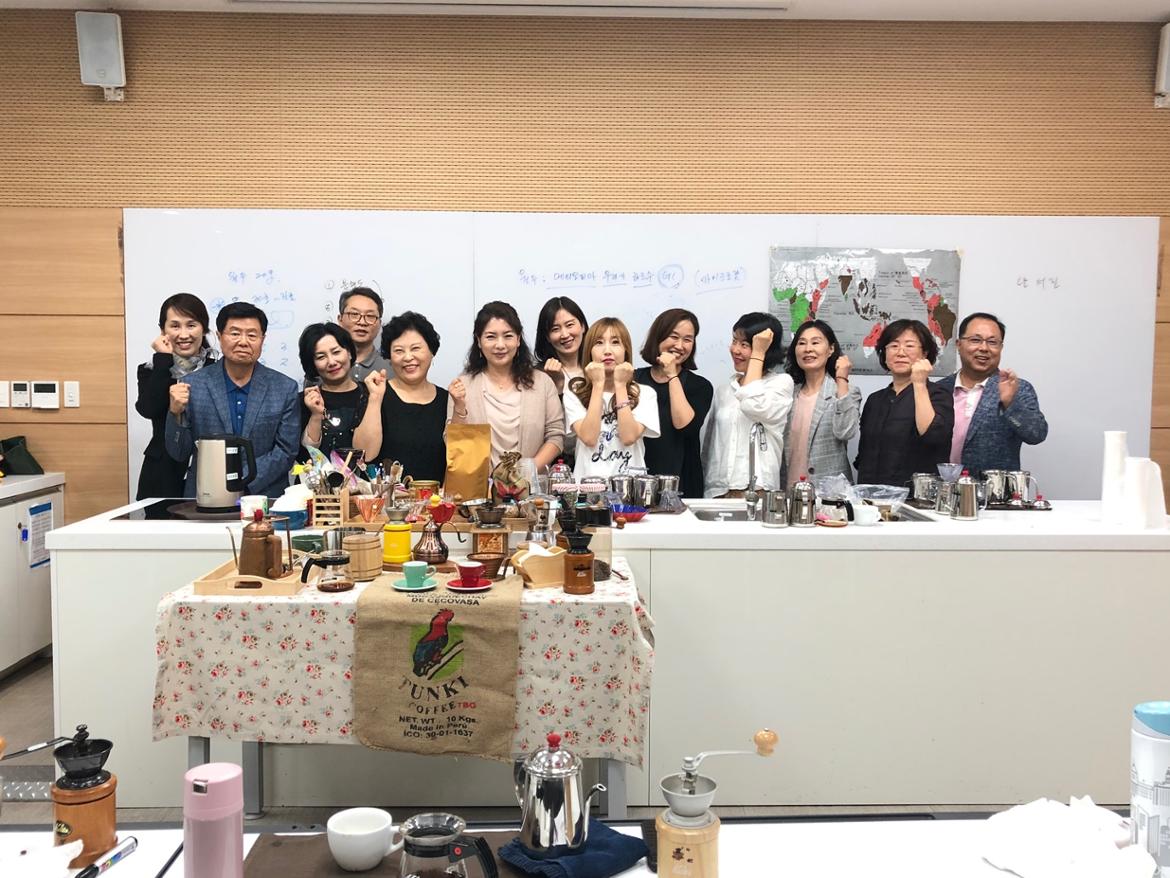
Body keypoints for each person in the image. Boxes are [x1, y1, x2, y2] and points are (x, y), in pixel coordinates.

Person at [165, 302, 300, 499]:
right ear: (219, 336)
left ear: (262, 339)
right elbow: (178, 453)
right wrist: (175, 413)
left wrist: (240, 479)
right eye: (235, 333)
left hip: (264, 497)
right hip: (205, 497)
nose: (243, 342)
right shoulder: (192, 385)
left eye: (252, 335)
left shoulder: (284, 388)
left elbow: (286, 451)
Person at [448, 301, 563, 468]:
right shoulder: (463, 385)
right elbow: (454, 444)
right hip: (480, 485)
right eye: (491, 337)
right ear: (478, 341)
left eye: (508, 336)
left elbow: (556, 435)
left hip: (531, 483)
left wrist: (527, 471)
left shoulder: (542, 382)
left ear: (518, 339)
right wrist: (459, 407)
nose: (500, 345)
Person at [936, 311, 1048, 476]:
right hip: (943, 488)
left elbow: (1036, 434)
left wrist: (1010, 404)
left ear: (1001, 348)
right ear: (958, 345)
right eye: (975, 340)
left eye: (992, 342)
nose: (984, 348)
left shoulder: (1018, 388)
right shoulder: (939, 389)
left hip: (995, 490)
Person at [134, 293, 216, 500]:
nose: (183, 334)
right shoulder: (152, 369)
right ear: (163, 330)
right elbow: (148, 409)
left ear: (204, 328)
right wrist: (163, 358)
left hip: (209, 470)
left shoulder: (216, 370)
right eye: (175, 326)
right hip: (162, 473)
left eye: (191, 325)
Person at [855, 319, 954, 487]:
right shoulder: (874, 400)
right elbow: (864, 454)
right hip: (871, 495)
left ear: (924, 353)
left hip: (916, 496)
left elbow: (934, 436)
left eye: (909, 346)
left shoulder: (938, 394)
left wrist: (919, 384)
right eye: (893, 346)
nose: (900, 352)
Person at [703, 313, 793, 498]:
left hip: (759, 491)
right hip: (718, 491)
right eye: (734, 341)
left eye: (745, 345)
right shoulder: (724, 391)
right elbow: (710, 446)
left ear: (766, 349)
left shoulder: (781, 383)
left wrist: (758, 353)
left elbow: (753, 405)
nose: (735, 350)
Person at [564, 317, 660, 480]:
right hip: (587, 487)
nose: (607, 350)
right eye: (599, 343)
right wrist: (597, 384)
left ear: (626, 350)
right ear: (589, 351)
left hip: (630, 488)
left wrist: (621, 385)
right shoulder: (574, 393)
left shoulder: (645, 393)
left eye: (615, 342)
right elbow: (589, 438)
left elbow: (628, 437)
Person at [634, 308, 712, 497]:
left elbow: (685, 427)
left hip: (683, 482)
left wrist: (672, 375)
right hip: (638, 479)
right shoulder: (634, 380)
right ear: (658, 337)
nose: (680, 345)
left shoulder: (700, 386)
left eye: (688, 339)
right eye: (674, 336)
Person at [782, 320, 862, 486]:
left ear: (830, 349)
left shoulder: (846, 391)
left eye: (815, 342)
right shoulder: (787, 393)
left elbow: (845, 432)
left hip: (830, 492)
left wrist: (842, 378)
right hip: (788, 489)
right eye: (801, 343)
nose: (808, 349)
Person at [377, 311, 449, 483]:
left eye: (416, 348)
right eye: (399, 351)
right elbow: (365, 452)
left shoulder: (447, 400)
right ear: (389, 356)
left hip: (435, 498)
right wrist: (373, 399)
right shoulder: (377, 394)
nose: (408, 357)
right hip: (388, 499)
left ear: (431, 351)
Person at [298, 322, 384, 462]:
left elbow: (368, 454)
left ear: (349, 352)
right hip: (317, 477)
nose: (332, 362)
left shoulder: (372, 393)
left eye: (336, 352)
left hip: (364, 476)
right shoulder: (305, 401)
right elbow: (306, 456)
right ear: (312, 364)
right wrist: (316, 415)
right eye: (321, 357)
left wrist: (375, 398)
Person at [534, 296, 588, 395]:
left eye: (569, 325)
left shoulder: (598, 367)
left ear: (583, 326)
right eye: (555, 329)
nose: (565, 335)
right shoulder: (538, 375)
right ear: (547, 337)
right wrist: (557, 385)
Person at [336, 286, 391, 382]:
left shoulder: (392, 368)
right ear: (340, 319)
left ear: (379, 324)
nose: (362, 322)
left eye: (370, 316)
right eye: (354, 314)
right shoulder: (324, 364)